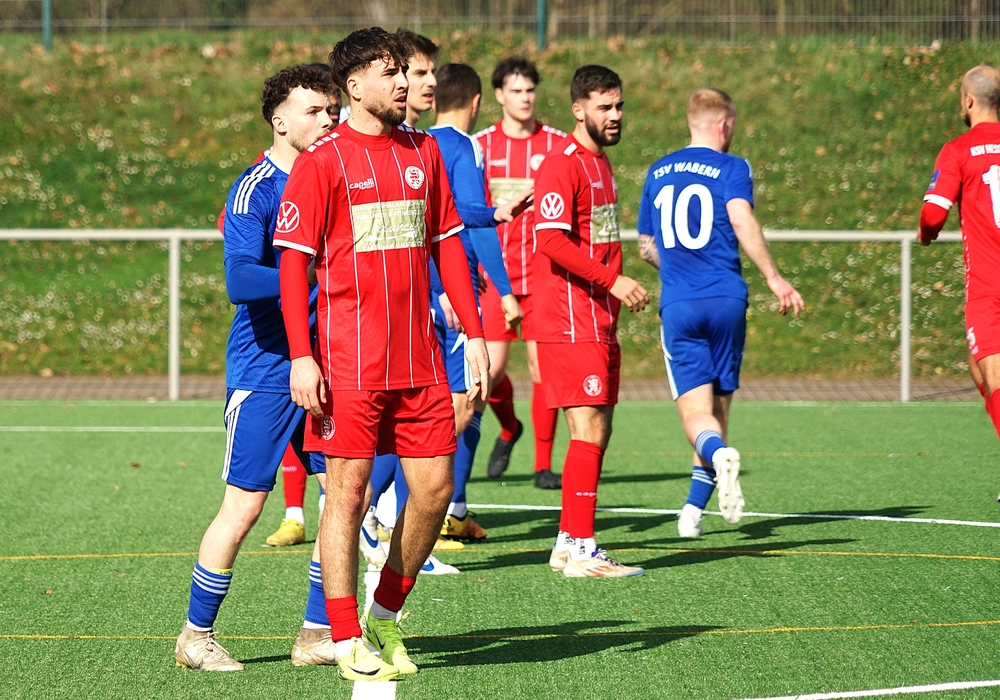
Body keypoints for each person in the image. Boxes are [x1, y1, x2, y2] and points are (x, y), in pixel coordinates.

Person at [275, 27, 490, 681]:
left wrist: (475, 332)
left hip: (421, 358)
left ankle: (385, 616)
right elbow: (293, 266)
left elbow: (447, 244)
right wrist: (301, 356)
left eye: (406, 71)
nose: (404, 83)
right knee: (346, 496)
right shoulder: (323, 161)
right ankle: (344, 639)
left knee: (435, 489)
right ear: (354, 85)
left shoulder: (424, 151)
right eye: (389, 72)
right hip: (350, 363)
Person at [174, 64, 338, 672]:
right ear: (280, 121)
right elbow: (240, 280)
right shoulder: (255, 189)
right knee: (244, 508)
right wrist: (314, 276)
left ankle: (316, 633)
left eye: (331, 110)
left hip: (328, 366)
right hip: (265, 368)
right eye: (314, 111)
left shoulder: (337, 178)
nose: (327, 120)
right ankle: (195, 636)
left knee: (340, 499)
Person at [637, 87, 804, 539]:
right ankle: (692, 512)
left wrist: (677, 270)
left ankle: (710, 472)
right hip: (727, 298)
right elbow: (741, 217)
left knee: (696, 414)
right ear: (724, 124)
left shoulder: (657, 171)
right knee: (719, 409)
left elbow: (646, 246)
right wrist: (774, 277)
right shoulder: (732, 166)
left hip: (680, 302)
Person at [534, 65, 649, 578]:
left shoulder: (600, 163)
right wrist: (613, 280)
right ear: (578, 109)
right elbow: (550, 241)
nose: (615, 115)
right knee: (588, 428)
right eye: (605, 107)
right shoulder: (562, 164)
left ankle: (567, 542)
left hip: (597, 318)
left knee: (598, 429)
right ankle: (583, 547)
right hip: (570, 317)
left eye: (619, 105)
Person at [428, 63, 532, 541]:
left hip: (422, 289)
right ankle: (395, 515)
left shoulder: (413, 142)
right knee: (464, 401)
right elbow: (471, 221)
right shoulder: (465, 145)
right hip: (454, 293)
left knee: (451, 400)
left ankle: (455, 506)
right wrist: (506, 290)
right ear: (476, 102)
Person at [476, 57, 567, 489]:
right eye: (516, 90)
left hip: (544, 277)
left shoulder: (558, 144)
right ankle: (510, 427)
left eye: (530, 90)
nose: (525, 98)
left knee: (542, 369)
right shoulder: (480, 146)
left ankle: (542, 466)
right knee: (490, 372)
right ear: (499, 95)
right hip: (495, 278)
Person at [918, 65, 1000, 500]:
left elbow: (933, 214)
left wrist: (925, 234)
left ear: (968, 101)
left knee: (994, 374)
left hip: (990, 286)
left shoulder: (959, 149)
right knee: (977, 367)